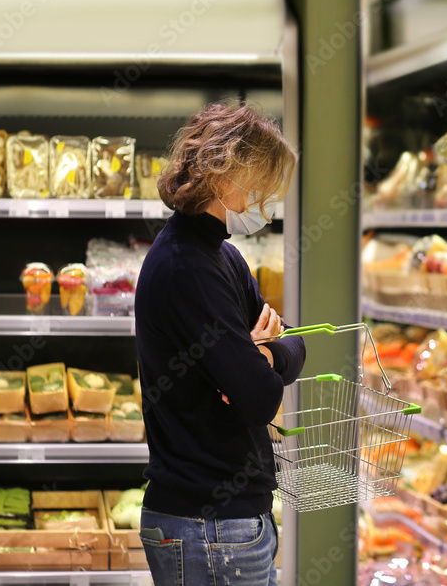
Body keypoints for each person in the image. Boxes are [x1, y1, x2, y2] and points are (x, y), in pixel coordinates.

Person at [135, 102, 304, 586]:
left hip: (228, 524)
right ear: (226, 174)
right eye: (265, 185)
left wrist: (260, 355)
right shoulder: (187, 268)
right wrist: (257, 365)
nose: (270, 203)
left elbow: (292, 342)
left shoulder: (222, 256)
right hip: (207, 525)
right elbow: (258, 398)